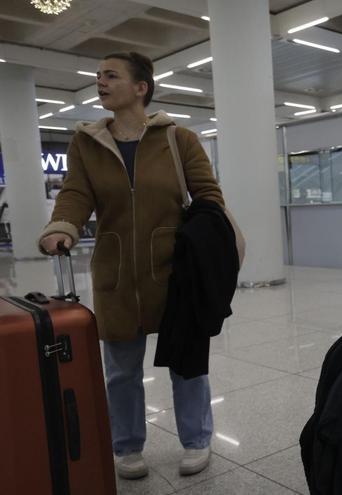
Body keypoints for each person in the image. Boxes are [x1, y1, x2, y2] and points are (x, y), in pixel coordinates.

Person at [37, 51, 225, 480]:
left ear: (140, 88)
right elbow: (76, 195)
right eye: (98, 75)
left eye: (110, 75)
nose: (100, 81)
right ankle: (127, 446)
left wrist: (208, 243)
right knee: (121, 370)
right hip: (117, 272)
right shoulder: (86, 142)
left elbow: (209, 196)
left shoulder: (179, 139)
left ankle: (197, 439)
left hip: (176, 272)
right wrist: (62, 225)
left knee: (186, 364)